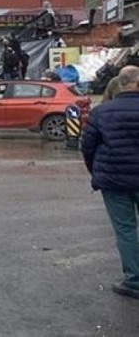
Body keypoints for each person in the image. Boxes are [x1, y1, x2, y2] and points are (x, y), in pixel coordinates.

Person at [81, 65, 139, 300]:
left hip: (114, 181)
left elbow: (88, 146)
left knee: (125, 230)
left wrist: (96, 172)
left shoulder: (102, 112)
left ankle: (134, 281)